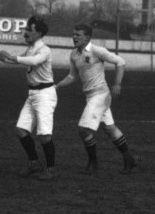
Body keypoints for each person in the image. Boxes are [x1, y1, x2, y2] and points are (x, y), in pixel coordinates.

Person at [55, 23, 137, 174]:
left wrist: (117, 84)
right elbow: (72, 75)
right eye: (73, 34)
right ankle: (129, 159)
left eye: (78, 35)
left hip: (100, 95)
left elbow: (120, 62)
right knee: (110, 128)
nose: (74, 37)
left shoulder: (96, 50)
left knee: (83, 129)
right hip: (91, 96)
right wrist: (58, 85)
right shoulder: (74, 54)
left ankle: (93, 163)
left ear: (87, 37)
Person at [0, 15, 58, 180]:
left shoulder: (44, 50)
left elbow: (33, 61)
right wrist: (0, 59)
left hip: (45, 95)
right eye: (25, 29)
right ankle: (34, 163)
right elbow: (23, 61)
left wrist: (11, 56)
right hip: (33, 94)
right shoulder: (32, 47)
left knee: (44, 135)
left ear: (38, 33)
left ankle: (51, 170)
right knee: (21, 129)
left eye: (29, 30)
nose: (25, 32)